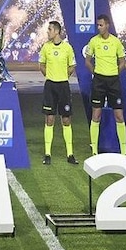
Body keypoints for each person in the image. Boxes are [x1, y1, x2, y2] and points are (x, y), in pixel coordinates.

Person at [84, 14, 126, 157]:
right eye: (97, 25)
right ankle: (95, 151)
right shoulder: (93, 42)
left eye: (101, 25)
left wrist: (115, 72)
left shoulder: (116, 42)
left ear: (107, 25)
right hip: (99, 81)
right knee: (96, 114)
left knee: (119, 116)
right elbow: (88, 61)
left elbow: (122, 61)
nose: (99, 27)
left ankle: (124, 152)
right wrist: (96, 73)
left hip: (113, 81)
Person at [38, 20, 77, 165]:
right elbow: (41, 65)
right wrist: (50, 76)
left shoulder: (67, 48)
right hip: (50, 86)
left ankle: (70, 154)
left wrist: (62, 76)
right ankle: (47, 154)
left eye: (49, 30)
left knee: (66, 119)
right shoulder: (45, 47)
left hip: (63, 87)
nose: (47, 32)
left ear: (57, 32)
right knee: (49, 119)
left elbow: (72, 66)